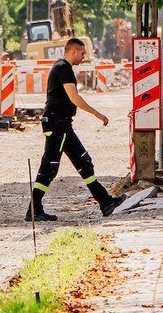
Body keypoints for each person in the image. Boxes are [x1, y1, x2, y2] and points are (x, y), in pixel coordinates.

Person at [26, 37, 127, 221]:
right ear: (73, 52)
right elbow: (74, 97)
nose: (83, 57)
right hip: (57, 124)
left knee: (84, 163)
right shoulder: (64, 69)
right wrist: (97, 114)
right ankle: (34, 210)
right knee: (50, 167)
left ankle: (105, 202)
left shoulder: (62, 67)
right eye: (82, 53)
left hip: (62, 124)